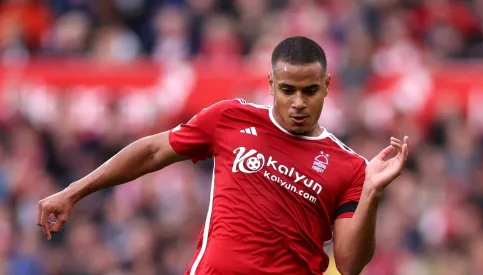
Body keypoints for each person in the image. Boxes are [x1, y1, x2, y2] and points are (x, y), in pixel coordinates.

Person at [37, 36, 409, 275]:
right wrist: (75, 190)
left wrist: (373, 194)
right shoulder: (230, 117)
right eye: (287, 90)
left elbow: (348, 263)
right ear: (270, 85)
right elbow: (152, 151)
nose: (298, 103)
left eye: (310, 90)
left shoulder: (350, 167)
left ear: (327, 86)